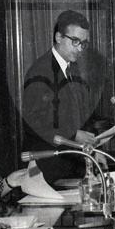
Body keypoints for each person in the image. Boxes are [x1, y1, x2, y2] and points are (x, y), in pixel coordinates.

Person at [22, 10, 103, 183]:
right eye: (75, 41)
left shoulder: (72, 68)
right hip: (49, 168)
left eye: (83, 43)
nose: (80, 48)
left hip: (71, 164)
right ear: (58, 37)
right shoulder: (40, 71)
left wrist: (94, 150)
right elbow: (34, 124)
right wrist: (73, 135)